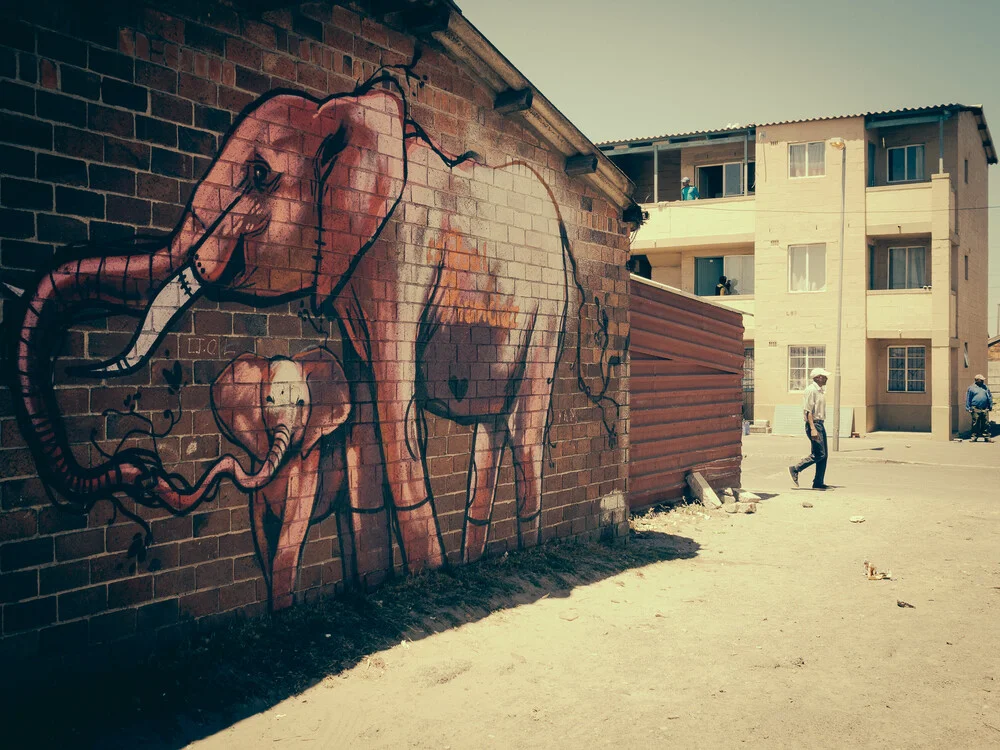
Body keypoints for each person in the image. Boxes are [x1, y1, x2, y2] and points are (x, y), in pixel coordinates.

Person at [789, 367, 831, 490]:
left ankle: (818, 482)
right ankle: (796, 469)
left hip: (820, 424)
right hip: (814, 424)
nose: (826, 378)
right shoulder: (811, 390)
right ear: (818, 377)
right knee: (819, 454)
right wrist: (813, 428)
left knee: (824, 455)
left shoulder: (820, 391)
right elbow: (808, 411)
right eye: (824, 376)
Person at [966, 374, 993, 442]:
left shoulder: (985, 387)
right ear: (977, 380)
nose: (983, 381)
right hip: (975, 408)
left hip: (984, 408)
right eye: (981, 380)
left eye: (983, 380)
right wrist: (968, 407)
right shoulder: (971, 388)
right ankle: (974, 437)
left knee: (986, 423)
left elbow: (989, 396)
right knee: (975, 423)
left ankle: (986, 437)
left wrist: (990, 405)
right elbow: (968, 398)